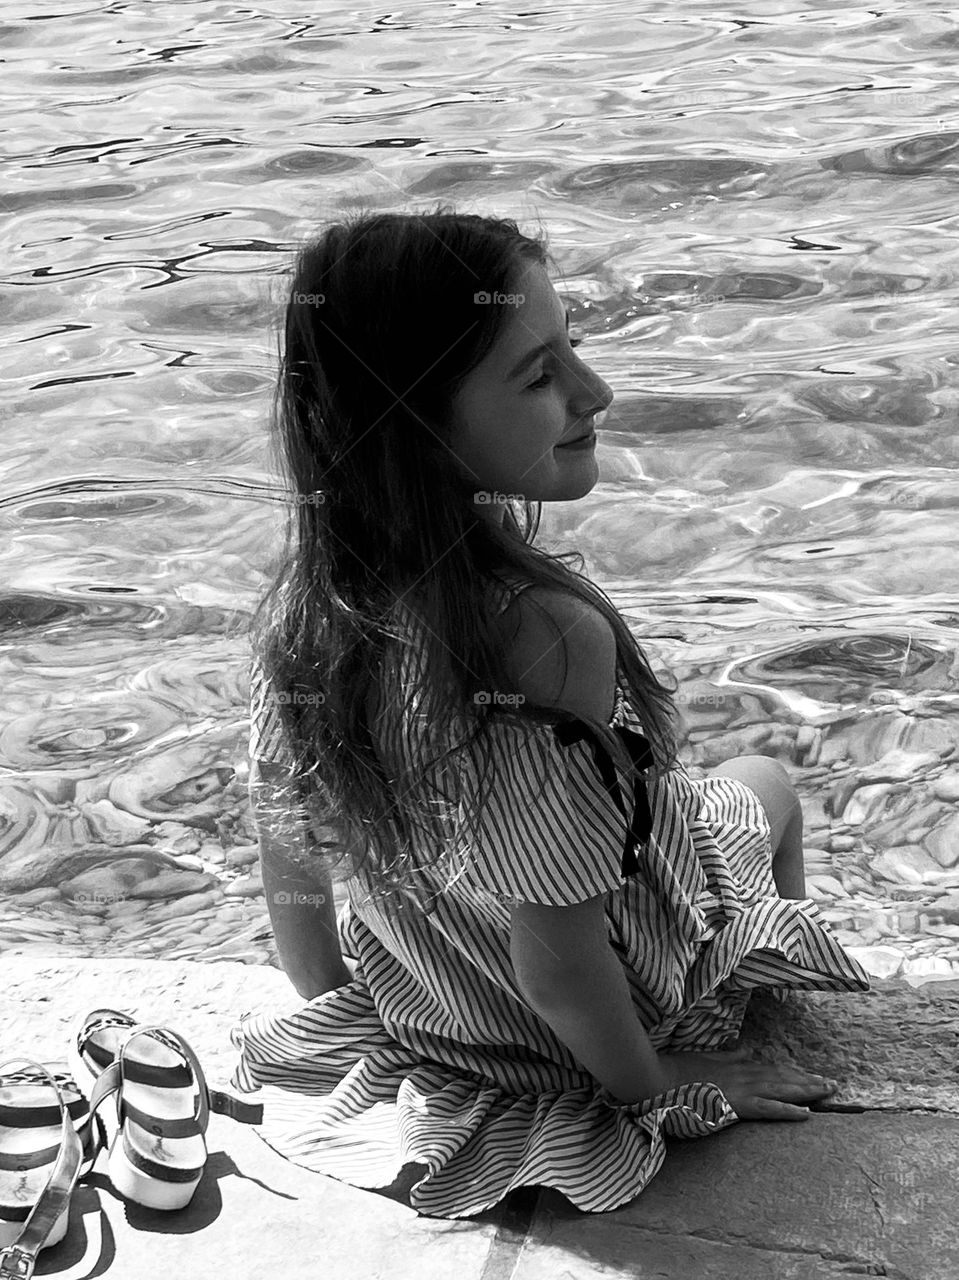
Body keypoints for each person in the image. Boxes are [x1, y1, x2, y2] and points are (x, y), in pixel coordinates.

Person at [228, 206, 870, 1219]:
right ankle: (745, 1009)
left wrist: (348, 1008)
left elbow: (291, 860)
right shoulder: (542, 637)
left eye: (570, 346)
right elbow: (560, 963)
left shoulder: (309, 611)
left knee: (696, 807)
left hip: (437, 1012)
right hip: (590, 1027)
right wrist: (658, 1084)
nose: (593, 391)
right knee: (765, 784)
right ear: (416, 424)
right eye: (538, 376)